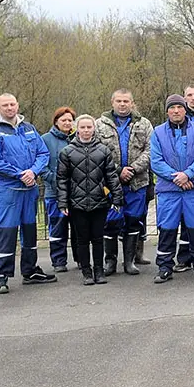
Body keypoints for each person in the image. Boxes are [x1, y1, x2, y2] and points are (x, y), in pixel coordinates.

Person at [0, 93, 56, 294]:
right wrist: (19, 174)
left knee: (30, 231)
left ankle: (30, 271)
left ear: (18, 105)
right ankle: (2, 276)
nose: (9, 108)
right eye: (5, 105)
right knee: (6, 233)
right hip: (9, 191)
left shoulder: (29, 128)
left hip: (30, 190)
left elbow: (43, 153)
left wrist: (33, 171)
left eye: (12, 104)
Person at [149, 95, 194, 282]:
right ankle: (164, 267)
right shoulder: (157, 132)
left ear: (185, 108)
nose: (176, 111)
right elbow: (156, 161)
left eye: (179, 107)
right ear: (167, 111)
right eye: (172, 108)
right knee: (167, 229)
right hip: (169, 190)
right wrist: (177, 177)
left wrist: (188, 174)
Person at [56, 114, 123, 285]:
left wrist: (117, 198)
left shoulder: (103, 150)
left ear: (94, 129)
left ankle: (99, 271)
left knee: (98, 238)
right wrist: (63, 202)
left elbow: (111, 176)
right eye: (83, 127)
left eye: (89, 127)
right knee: (82, 239)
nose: (86, 130)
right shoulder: (66, 152)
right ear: (76, 129)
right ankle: (86, 272)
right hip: (77, 204)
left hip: (99, 202)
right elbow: (62, 179)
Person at [95, 89, 154, 276]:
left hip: (137, 182)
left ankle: (129, 261)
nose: (122, 104)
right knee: (110, 222)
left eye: (126, 101)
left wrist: (134, 169)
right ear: (112, 102)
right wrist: (119, 171)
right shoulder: (99, 125)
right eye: (119, 101)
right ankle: (110, 261)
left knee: (133, 220)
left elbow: (151, 150)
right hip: (110, 183)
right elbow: (96, 152)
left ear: (132, 103)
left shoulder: (144, 124)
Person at [41, 107, 75, 272]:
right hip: (54, 193)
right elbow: (42, 166)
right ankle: (59, 261)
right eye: (64, 120)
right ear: (56, 121)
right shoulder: (45, 140)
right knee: (58, 227)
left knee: (78, 229)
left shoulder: (76, 138)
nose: (67, 123)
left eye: (70, 120)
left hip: (76, 193)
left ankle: (80, 259)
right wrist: (56, 181)